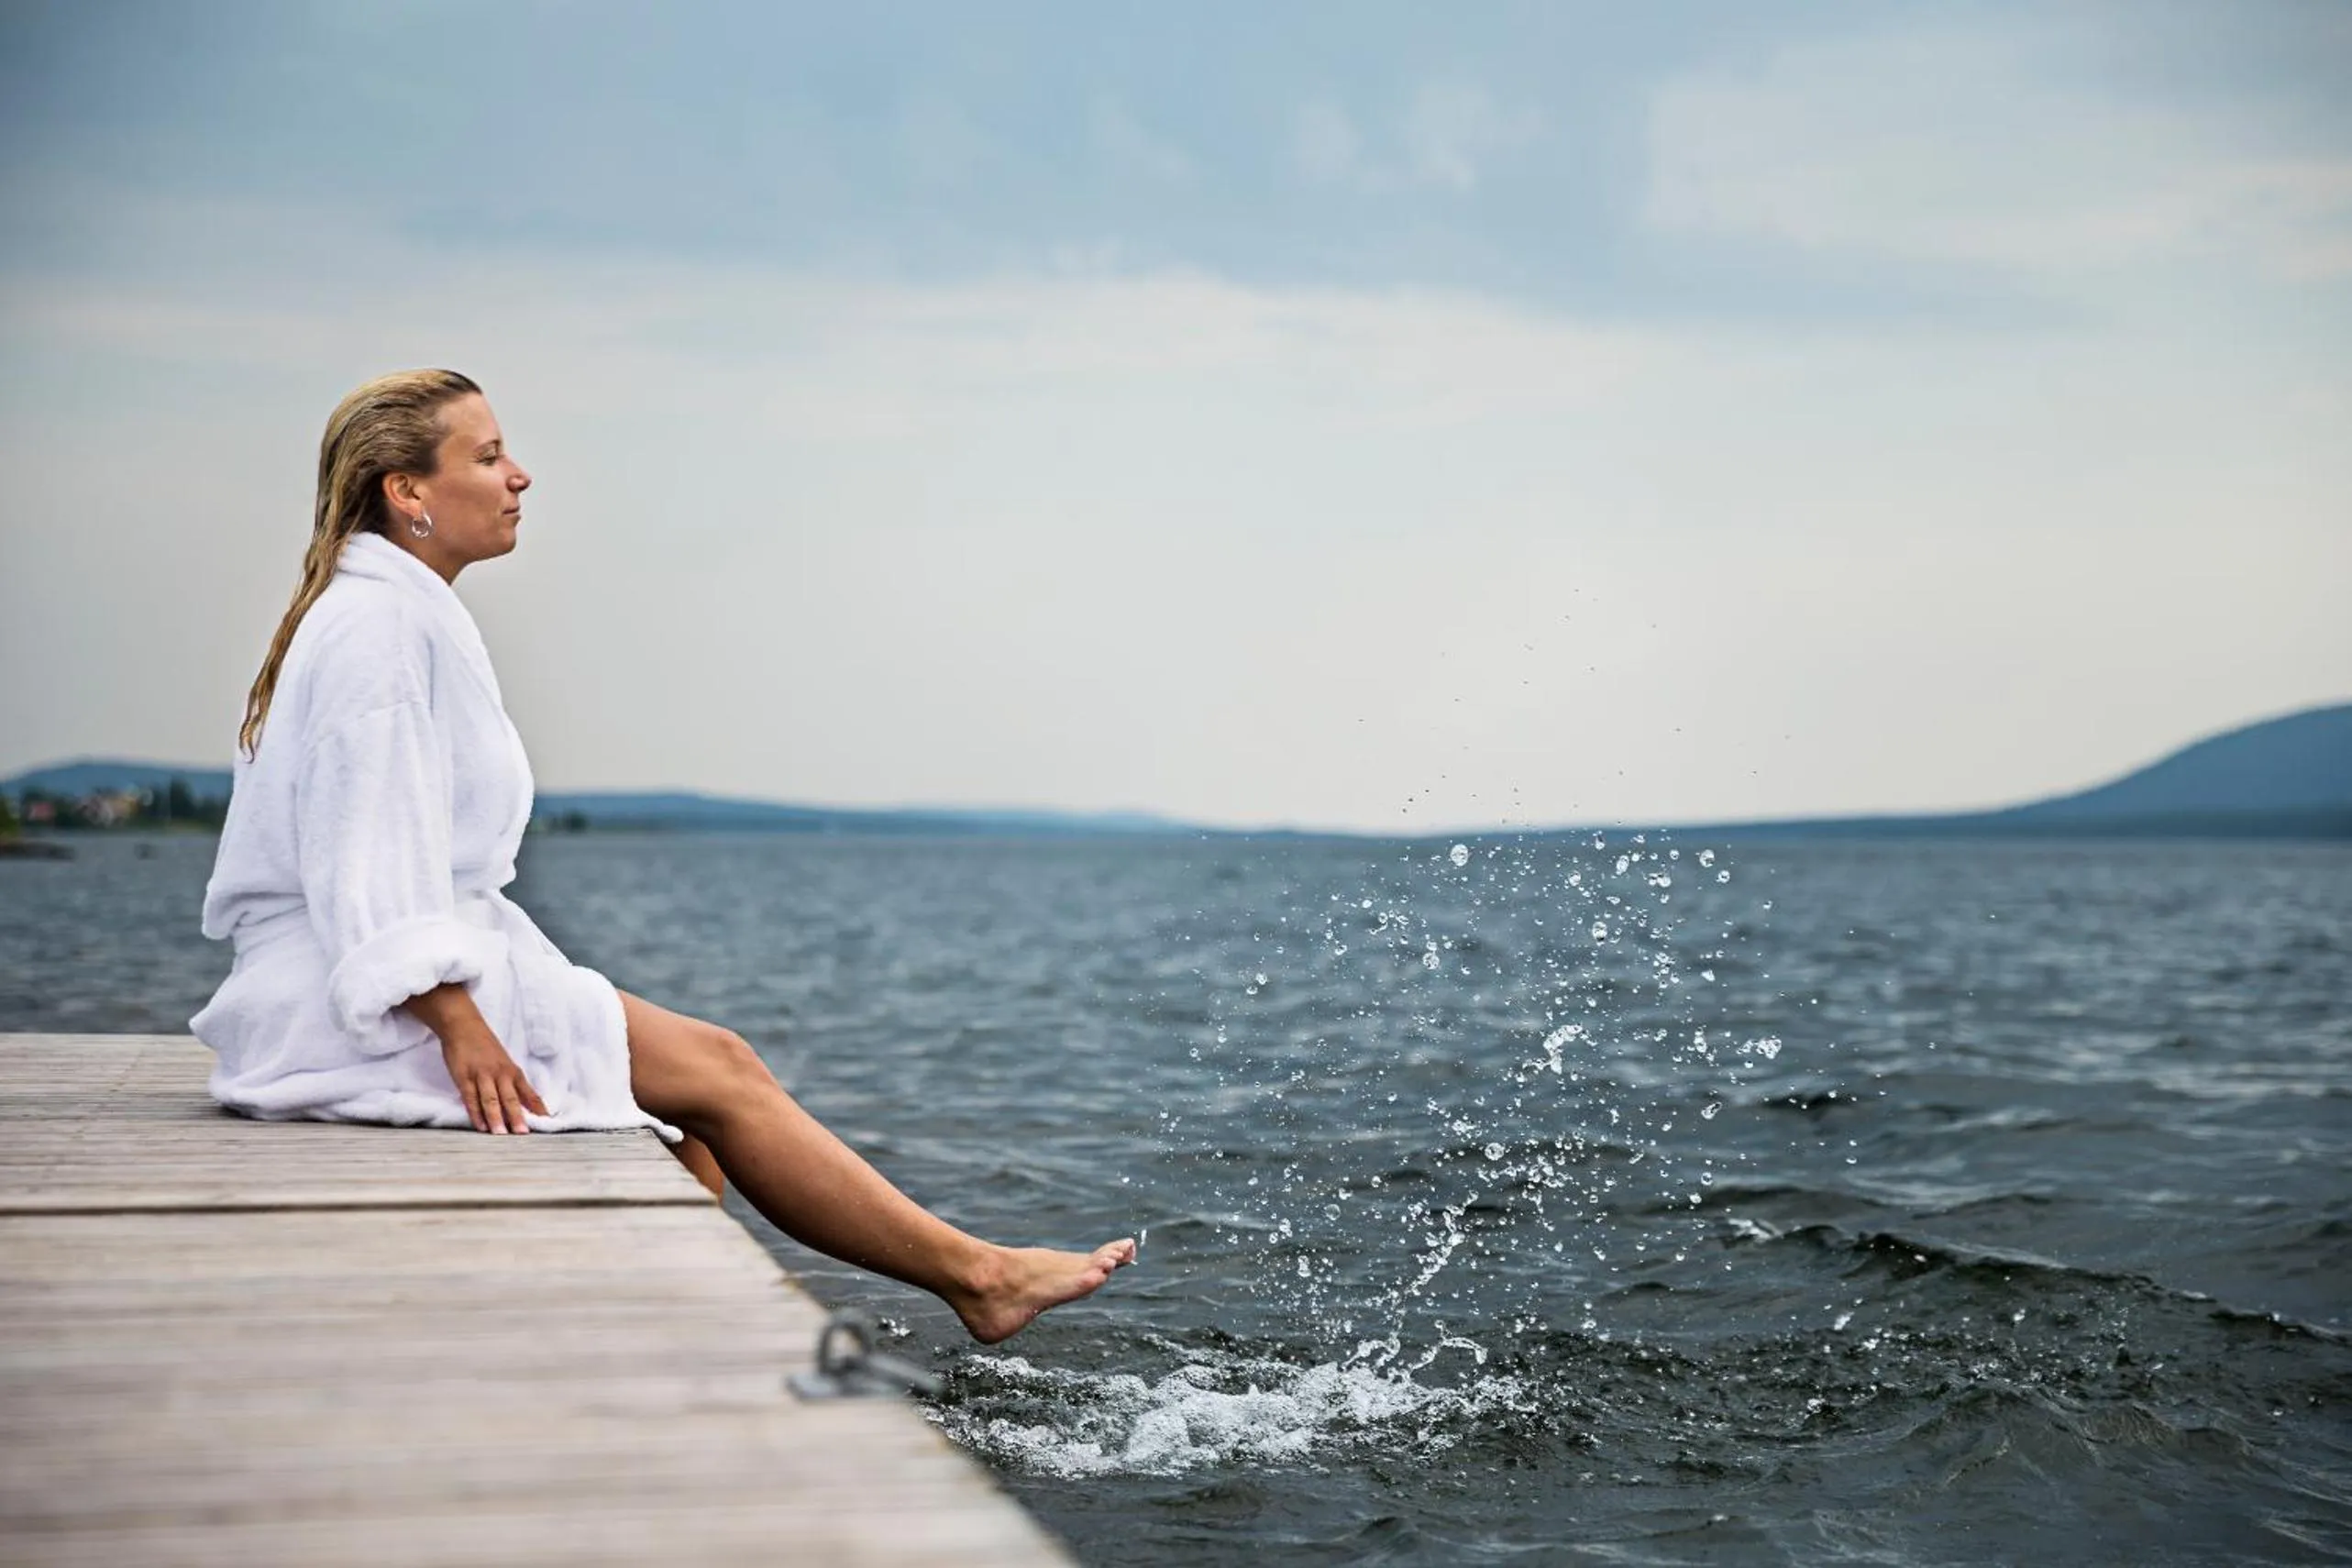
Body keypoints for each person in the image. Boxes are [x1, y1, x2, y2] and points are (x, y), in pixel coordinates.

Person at [192, 369, 1133, 1342]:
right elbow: (366, 852)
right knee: (722, 1074)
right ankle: (980, 1279)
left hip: (406, 978)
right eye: (487, 457)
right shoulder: (377, 628)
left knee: (694, 1128)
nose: (520, 476)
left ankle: (670, 1340)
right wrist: (454, 1018)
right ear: (408, 490)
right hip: (366, 1005)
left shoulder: (392, 613)